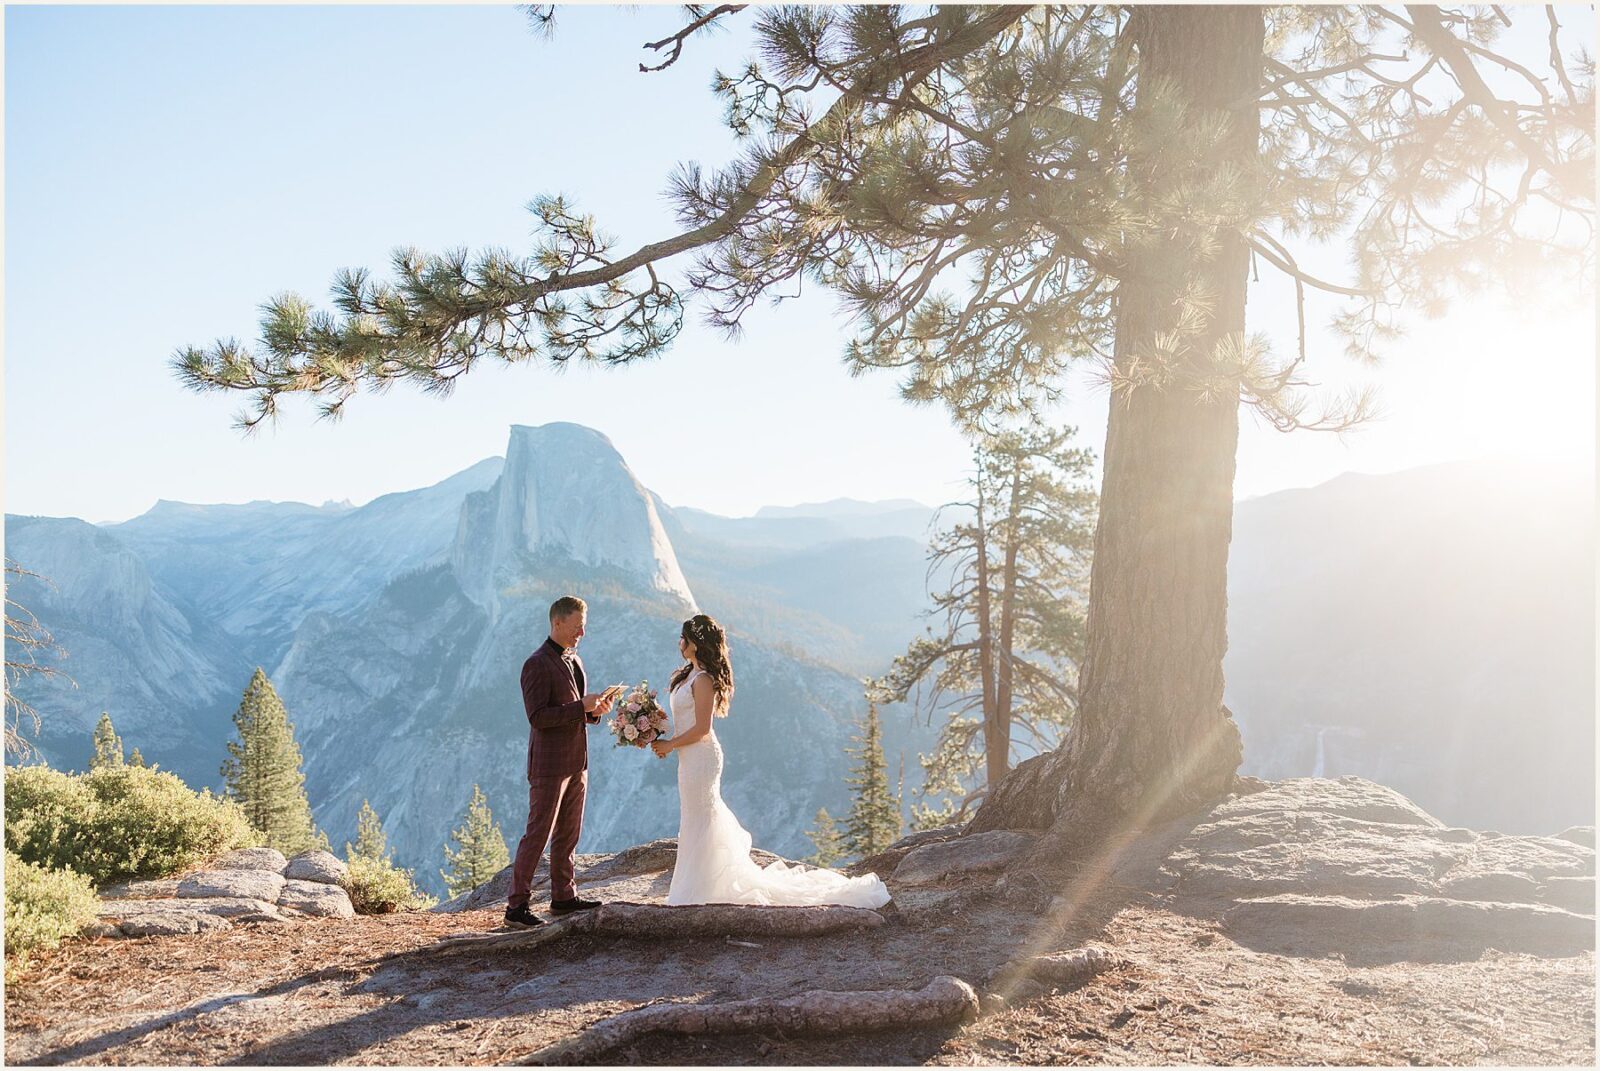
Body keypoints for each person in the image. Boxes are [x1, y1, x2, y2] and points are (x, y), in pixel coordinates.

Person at [651, 613, 890, 908]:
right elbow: (682, 716)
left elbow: (702, 729)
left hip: (700, 756)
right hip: (688, 758)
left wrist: (670, 744)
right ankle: (696, 884)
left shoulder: (703, 681)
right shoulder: (686, 675)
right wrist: (652, 724)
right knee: (694, 816)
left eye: (683, 637)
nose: (679, 642)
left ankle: (699, 888)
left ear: (695, 645)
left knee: (699, 816)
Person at [503, 595, 617, 929]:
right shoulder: (536, 663)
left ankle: (564, 897)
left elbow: (575, 713)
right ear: (557, 622)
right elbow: (537, 717)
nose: (582, 632)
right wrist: (581, 706)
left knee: (569, 834)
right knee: (537, 834)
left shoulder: (575, 661)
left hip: (577, 761)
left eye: (584, 625)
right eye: (577, 625)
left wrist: (594, 712)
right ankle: (516, 907)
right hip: (550, 765)